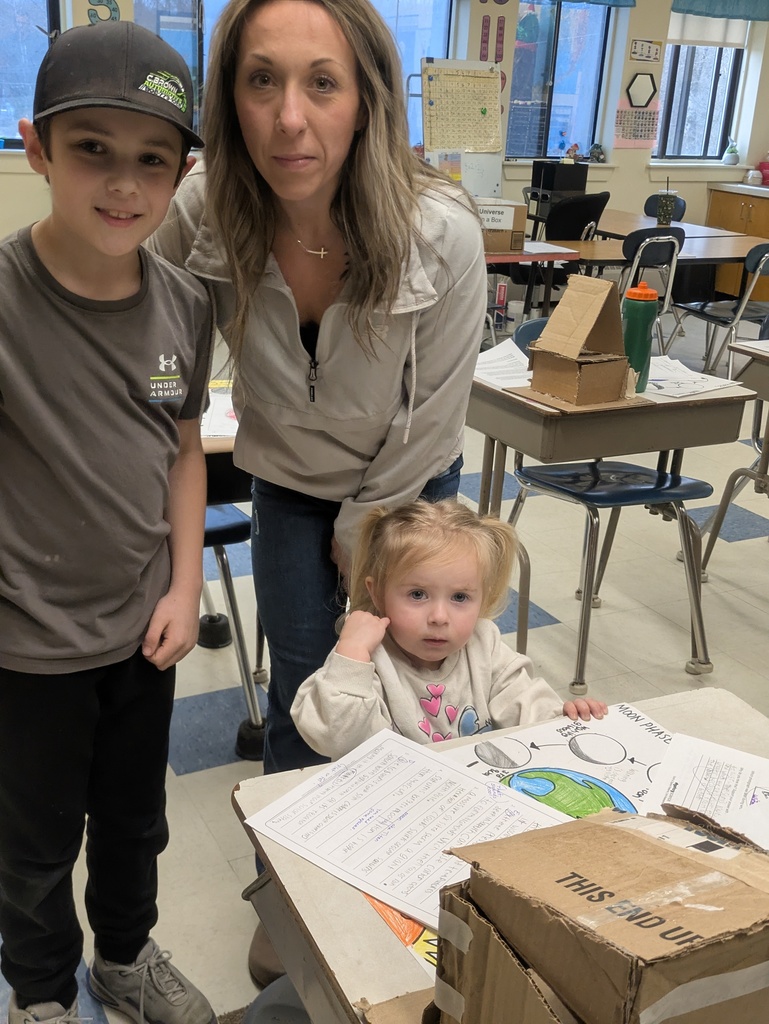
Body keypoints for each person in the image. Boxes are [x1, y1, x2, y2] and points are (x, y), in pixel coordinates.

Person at [148, 0, 488, 778]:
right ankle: (288, 879)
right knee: (302, 680)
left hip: (407, 482)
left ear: (366, 98)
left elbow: (432, 414)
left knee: (407, 676)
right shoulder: (203, 212)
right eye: (261, 80)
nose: (289, 118)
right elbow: (153, 360)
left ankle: (387, 849)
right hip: (290, 478)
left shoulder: (439, 231)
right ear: (229, 97)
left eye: (323, 84)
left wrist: (360, 530)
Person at [0, 21, 217, 1024]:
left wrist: (185, 586)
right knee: (33, 842)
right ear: (36, 145)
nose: (123, 185)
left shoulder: (184, 306)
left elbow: (181, 448)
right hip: (26, 641)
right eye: (92, 148)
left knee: (135, 824)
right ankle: (41, 991)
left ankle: (123, 961)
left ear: (180, 173)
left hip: (144, 630)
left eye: (151, 160)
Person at [292, 500, 608, 758]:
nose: (439, 617)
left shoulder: (483, 643)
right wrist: (352, 653)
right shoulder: (362, 660)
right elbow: (336, 739)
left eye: (460, 597)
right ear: (377, 593)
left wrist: (561, 720)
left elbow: (525, 702)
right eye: (417, 594)